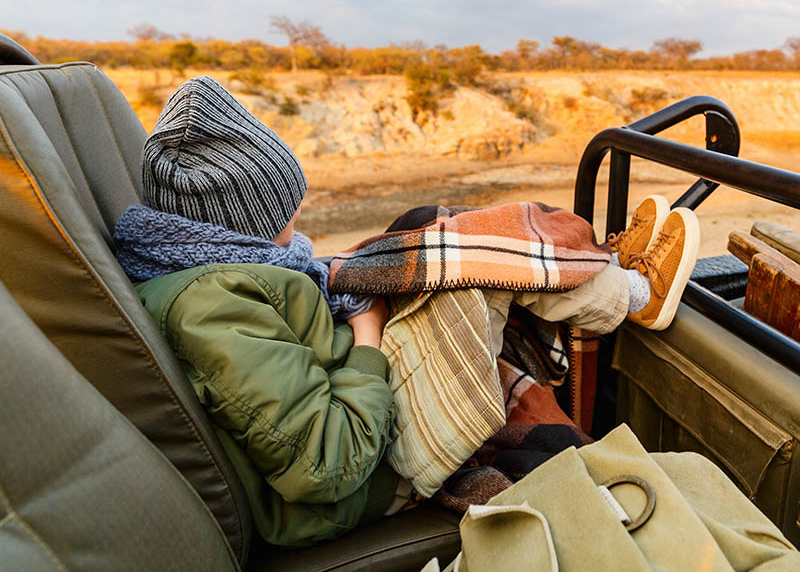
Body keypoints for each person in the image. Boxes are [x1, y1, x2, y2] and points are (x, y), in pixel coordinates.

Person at [114, 76, 699, 547]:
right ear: (246, 219)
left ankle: (602, 271)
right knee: (470, 266)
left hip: (358, 405)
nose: (298, 215)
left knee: (420, 226)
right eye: (286, 205)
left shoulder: (205, 267)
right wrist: (367, 335)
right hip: (363, 480)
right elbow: (326, 461)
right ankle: (632, 295)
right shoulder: (210, 307)